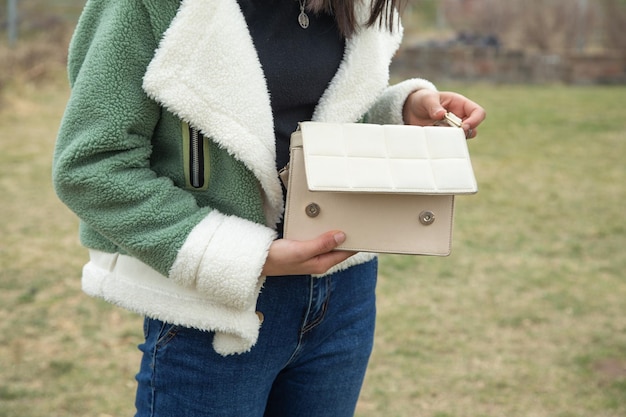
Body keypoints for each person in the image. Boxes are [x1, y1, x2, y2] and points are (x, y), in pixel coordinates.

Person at [52, 0, 486, 416]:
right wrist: (240, 257)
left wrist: (398, 113)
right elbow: (92, 164)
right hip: (215, 312)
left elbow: (322, 116)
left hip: (344, 296)